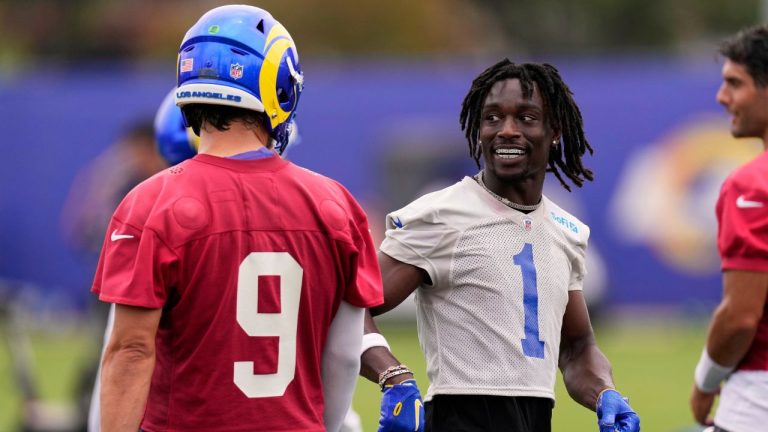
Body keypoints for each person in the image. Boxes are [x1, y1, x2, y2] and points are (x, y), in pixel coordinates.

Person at [92, 5, 383, 432]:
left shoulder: (149, 202)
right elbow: (342, 353)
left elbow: (130, 351)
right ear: (280, 83)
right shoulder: (335, 204)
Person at [360, 59, 640, 432]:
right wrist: (392, 375)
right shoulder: (441, 214)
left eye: (525, 118)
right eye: (492, 118)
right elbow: (352, 307)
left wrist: (605, 393)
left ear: (554, 130)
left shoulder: (566, 232)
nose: (506, 130)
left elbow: (576, 348)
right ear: (478, 130)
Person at [690, 25, 768, 432]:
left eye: (734, 84)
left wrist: (705, 381)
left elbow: (740, 316)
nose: (722, 97)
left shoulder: (752, 185)